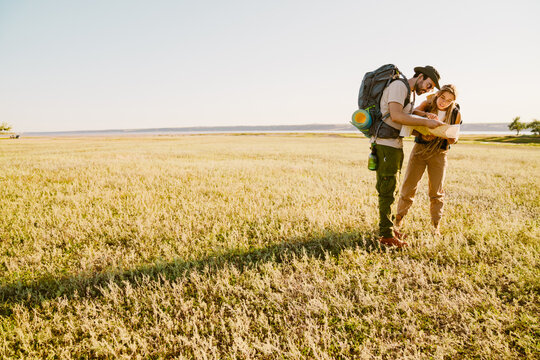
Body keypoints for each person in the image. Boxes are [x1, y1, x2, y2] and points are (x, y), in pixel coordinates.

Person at [372, 65, 444, 248]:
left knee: (393, 187)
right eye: (428, 85)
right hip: (385, 144)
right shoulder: (399, 86)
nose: (427, 90)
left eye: (430, 89)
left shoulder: (408, 92)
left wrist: (421, 131)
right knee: (387, 189)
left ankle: (388, 228)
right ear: (420, 76)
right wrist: (425, 121)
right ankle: (386, 236)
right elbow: (395, 116)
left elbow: (403, 120)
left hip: (394, 144)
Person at [395, 84, 461, 237]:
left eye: (449, 100)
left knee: (436, 192)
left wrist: (450, 138)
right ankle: (398, 220)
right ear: (438, 94)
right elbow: (411, 114)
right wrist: (425, 119)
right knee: (409, 187)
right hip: (419, 150)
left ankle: (435, 227)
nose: (444, 102)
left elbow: (454, 138)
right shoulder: (429, 103)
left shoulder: (456, 112)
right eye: (442, 97)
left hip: (439, 152)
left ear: (453, 101)